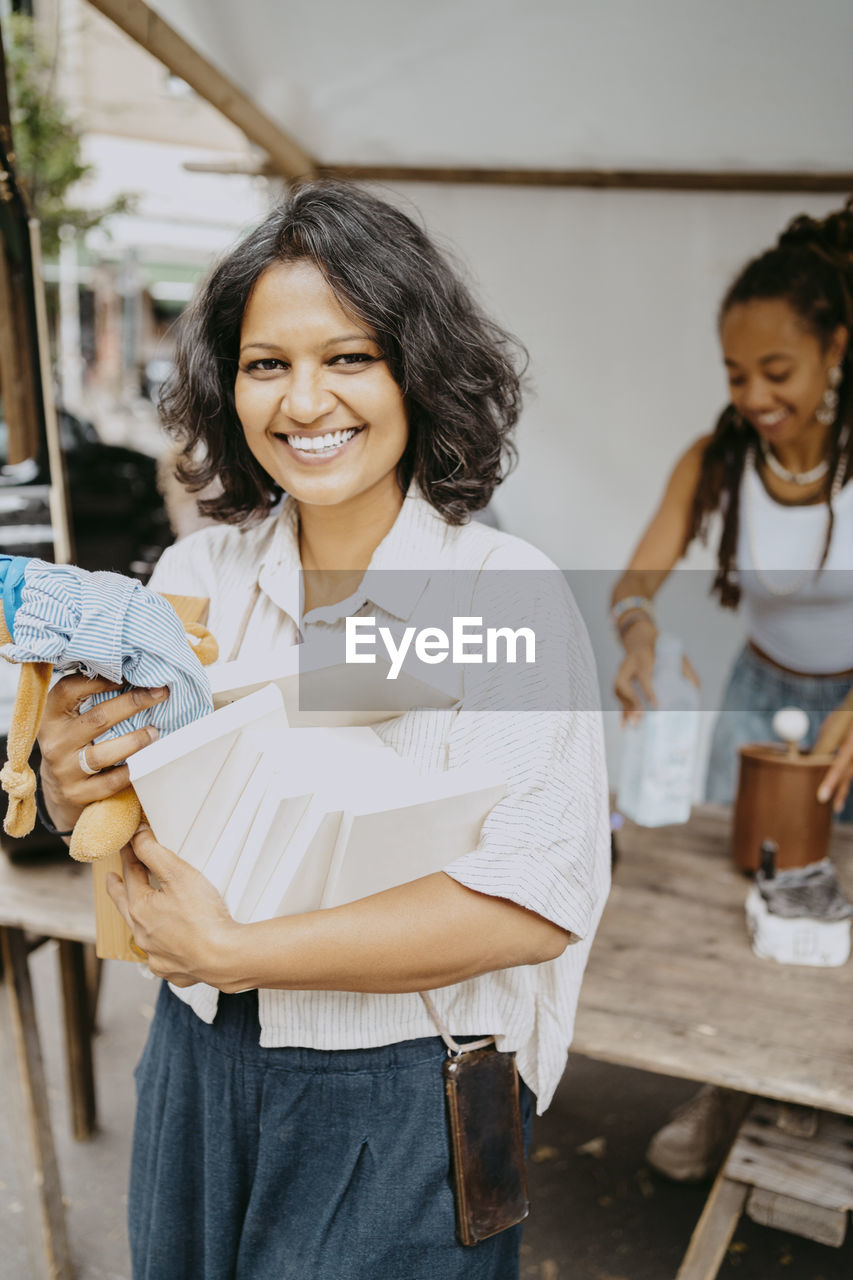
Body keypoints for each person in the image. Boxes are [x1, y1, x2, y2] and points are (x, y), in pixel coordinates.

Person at [36, 182, 610, 1279]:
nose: (306, 401)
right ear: (227, 384)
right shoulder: (200, 579)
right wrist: (73, 781)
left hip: (406, 1090)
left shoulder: (503, 597)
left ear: (418, 370)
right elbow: (131, 805)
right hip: (199, 1063)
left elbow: (536, 897)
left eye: (350, 357)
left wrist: (241, 951)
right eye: (267, 364)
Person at [610, 200, 853, 1183]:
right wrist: (636, 635)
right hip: (760, 696)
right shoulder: (716, 462)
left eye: (777, 371)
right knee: (735, 901)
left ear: (836, 349)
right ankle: (723, 1086)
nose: (754, 393)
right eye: (735, 373)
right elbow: (633, 581)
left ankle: (825, 1090)